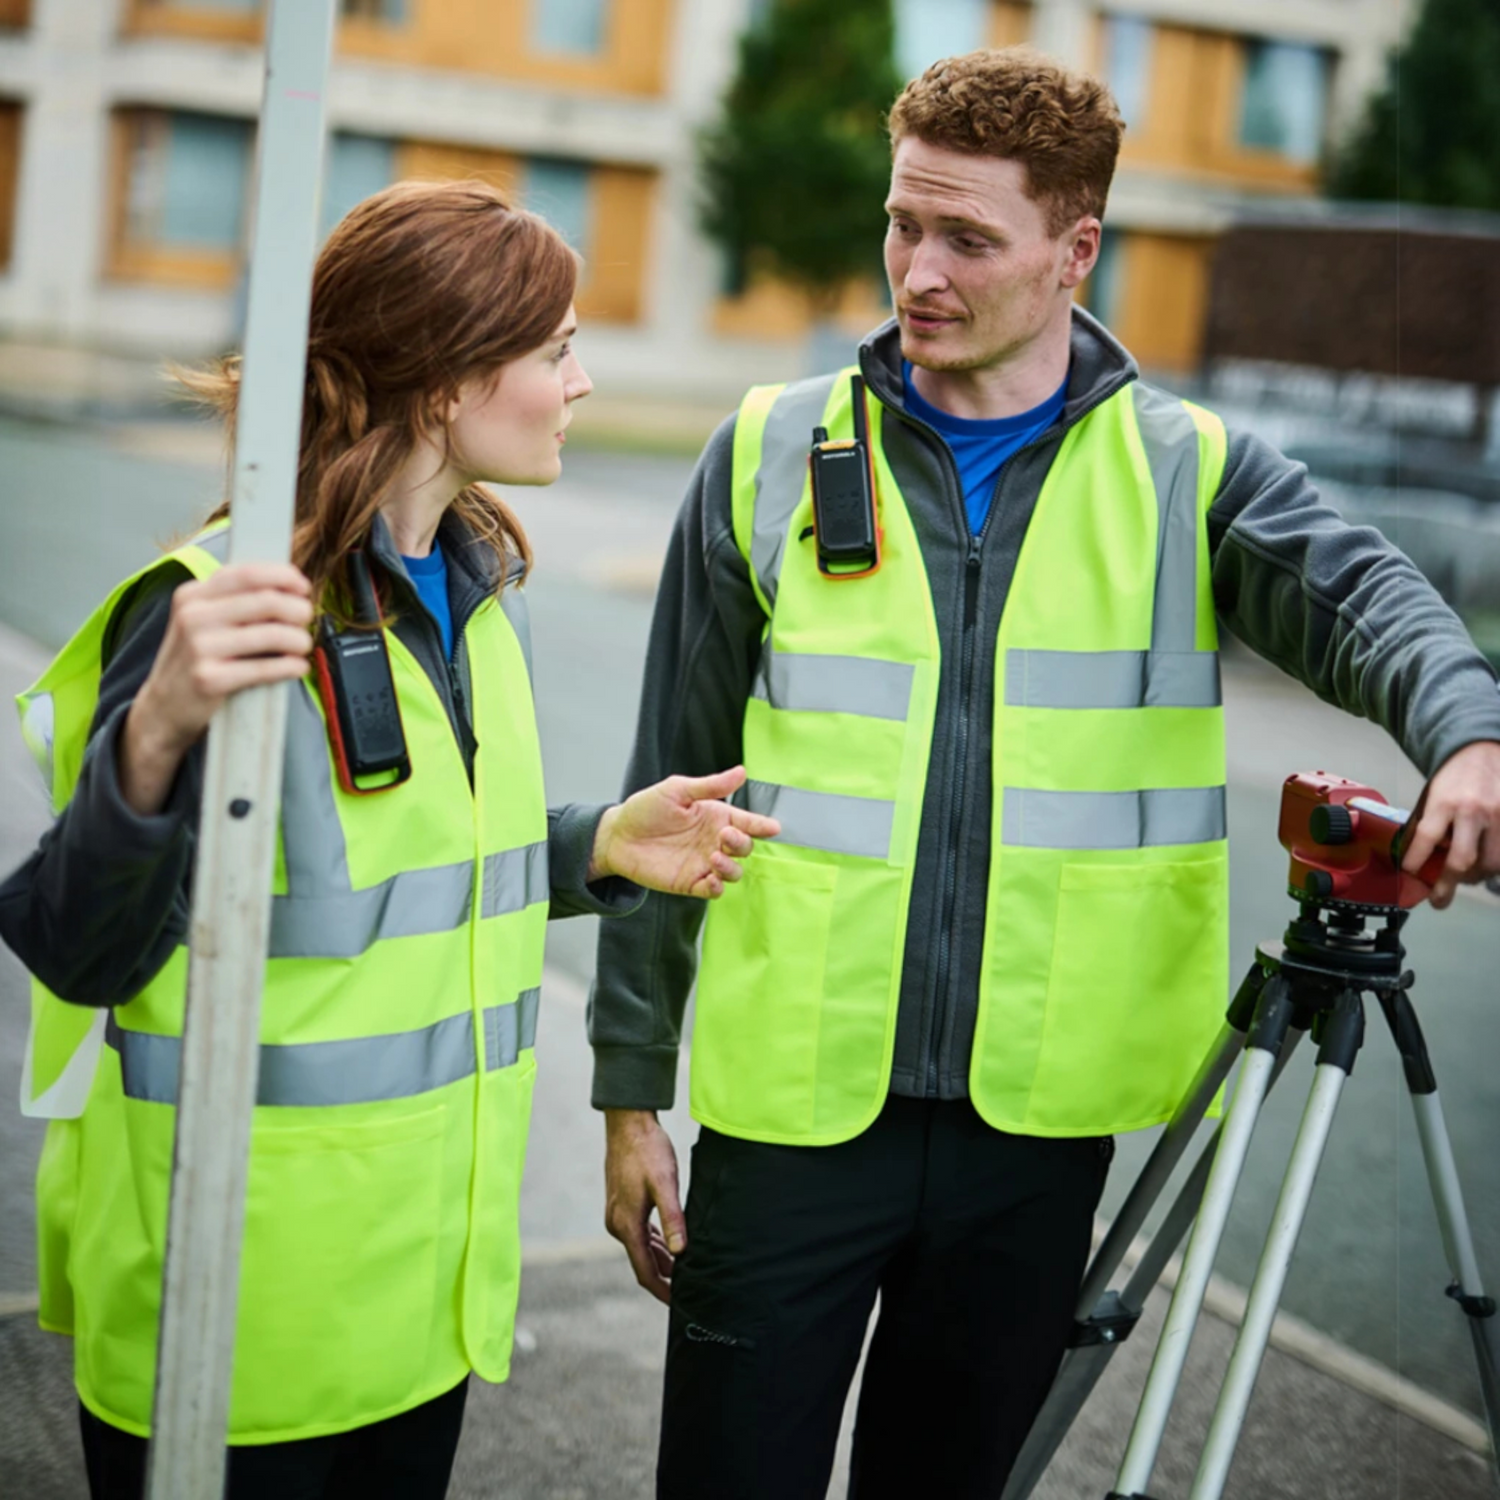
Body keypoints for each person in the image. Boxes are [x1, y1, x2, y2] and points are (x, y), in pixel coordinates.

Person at [590, 47, 1500, 1500]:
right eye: (903, 223)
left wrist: (1473, 733)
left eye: (967, 237)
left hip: (1036, 1134)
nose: (918, 269)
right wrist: (630, 1093)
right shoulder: (767, 453)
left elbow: (1375, 605)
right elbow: (664, 798)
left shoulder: (1191, 473)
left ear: (1076, 251)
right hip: (793, 1124)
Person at [0, 179, 777, 1499]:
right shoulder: (217, 611)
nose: (582, 383)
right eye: (556, 350)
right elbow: (76, 945)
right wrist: (156, 736)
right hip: (234, 1315)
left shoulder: (478, 594)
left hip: (414, 1309)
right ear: (440, 382)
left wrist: (597, 846)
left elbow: (388, 889)